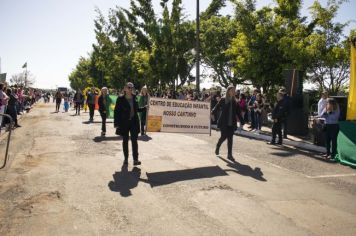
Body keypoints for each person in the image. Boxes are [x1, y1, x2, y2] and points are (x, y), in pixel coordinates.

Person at [114, 82, 146, 166]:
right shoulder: (120, 99)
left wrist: (145, 108)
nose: (130, 88)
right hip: (124, 122)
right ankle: (126, 159)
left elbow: (137, 109)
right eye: (129, 87)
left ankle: (135, 159)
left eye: (132, 87)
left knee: (134, 141)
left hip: (134, 122)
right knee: (125, 141)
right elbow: (116, 111)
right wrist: (116, 123)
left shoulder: (135, 98)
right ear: (125, 88)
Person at [212, 85, 244, 161]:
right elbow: (216, 107)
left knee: (230, 138)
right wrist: (212, 112)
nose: (234, 92)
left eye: (234, 90)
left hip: (232, 123)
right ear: (228, 91)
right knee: (223, 137)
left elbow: (238, 113)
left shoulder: (235, 101)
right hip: (224, 122)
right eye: (232, 90)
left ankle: (229, 155)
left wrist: (242, 121)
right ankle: (218, 145)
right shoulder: (223, 99)